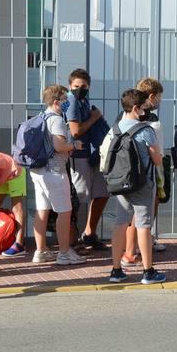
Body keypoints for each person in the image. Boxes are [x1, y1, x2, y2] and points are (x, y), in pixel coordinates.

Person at [105, 89, 166, 286]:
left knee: (120, 224)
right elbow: (157, 159)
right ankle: (148, 271)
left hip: (120, 182)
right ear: (135, 108)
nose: (146, 110)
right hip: (142, 184)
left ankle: (116, 270)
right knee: (144, 226)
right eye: (144, 107)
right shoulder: (145, 130)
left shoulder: (114, 128)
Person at [28, 84, 84, 267]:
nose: (67, 102)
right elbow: (59, 146)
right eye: (64, 99)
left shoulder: (41, 117)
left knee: (42, 209)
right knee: (64, 212)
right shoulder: (57, 120)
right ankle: (64, 253)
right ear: (55, 101)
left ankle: (40, 251)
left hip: (38, 171)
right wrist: (74, 146)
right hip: (55, 171)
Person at [66, 68, 111, 251]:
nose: (79, 89)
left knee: (101, 193)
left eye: (83, 86)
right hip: (79, 156)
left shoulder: (82, 101)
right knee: (81, 198)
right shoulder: (72, 101)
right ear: (70, 85)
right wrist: (94, 118)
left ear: (88, 86)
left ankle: (89, 234)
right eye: (76, 86)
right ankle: (72, 242)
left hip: (92, 155)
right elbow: (75, 131)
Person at [123, 77, 166, 264]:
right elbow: (156, 152)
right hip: (146, 170)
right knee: (141, 216)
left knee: (128, 216)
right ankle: (133, 252)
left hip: (128, 169)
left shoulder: (125, 116)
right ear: (151, 96)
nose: (159, 101)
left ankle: (130, 251)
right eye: (159, 97)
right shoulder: (148, 119)